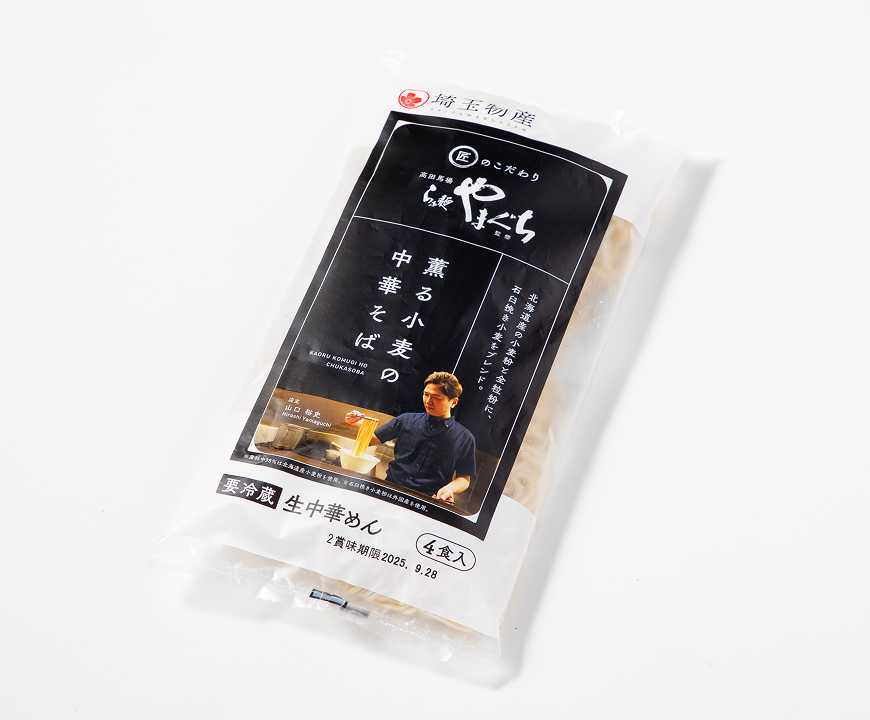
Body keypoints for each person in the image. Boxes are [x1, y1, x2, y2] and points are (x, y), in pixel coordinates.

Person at [345, 372, 476, 503]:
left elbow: (464, 478)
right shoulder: (406, 419)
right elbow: (369, 441)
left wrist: (450, 488)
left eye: (436, 397)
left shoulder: (465, 438)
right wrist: (360, 424)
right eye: (426, 394)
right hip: (389, 491)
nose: (428, 401)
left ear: (453, 402)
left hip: (427, 501)